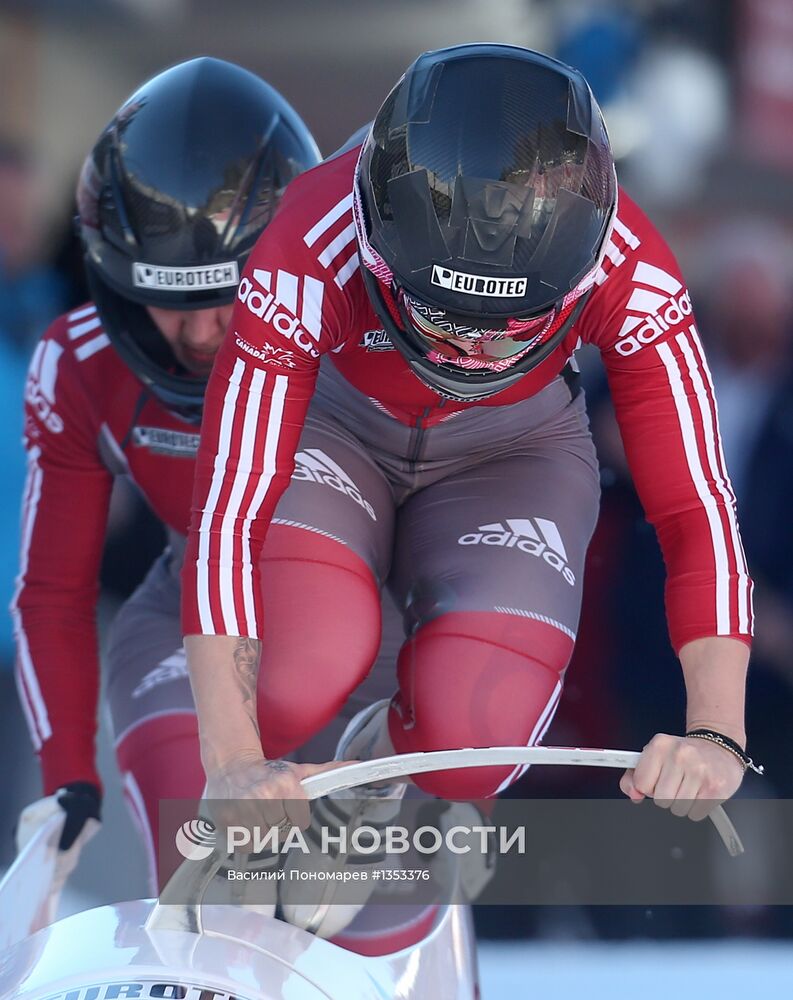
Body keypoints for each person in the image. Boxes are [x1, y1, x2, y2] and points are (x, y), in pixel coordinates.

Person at [181, 43, 757, 937]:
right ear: (378, 250)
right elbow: (231, 504)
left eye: (513, 327)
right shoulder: (307, 243)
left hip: (511, 450)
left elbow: (696, 508)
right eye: (444, 318)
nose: (475, 354)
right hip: (338, 425)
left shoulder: (633, 269)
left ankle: (376, 777)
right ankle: (268, 818)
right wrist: (231, 760)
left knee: (475, 735)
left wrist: (716, 729)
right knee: (293, 671)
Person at [12, 56, 322, 887]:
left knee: (371, 907)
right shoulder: (78, 365)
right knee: (213, 885)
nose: (203, 335)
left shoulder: (354, 338)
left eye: (230, 298)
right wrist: (68, 773)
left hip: (359, 618)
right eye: (174, 305)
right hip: (189, 614)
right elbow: (54, 590)